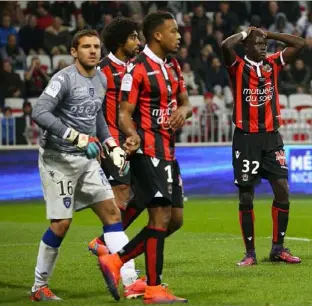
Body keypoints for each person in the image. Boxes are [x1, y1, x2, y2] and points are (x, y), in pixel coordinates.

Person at [29, 29, 131, 301]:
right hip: (58, 159)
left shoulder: (100, 78)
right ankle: (39, 287)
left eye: (96, 46)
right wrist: (74, 136)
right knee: (61, 224)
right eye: (86, 46)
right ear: (74, 52)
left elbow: (96, 113)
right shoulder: (63, 79)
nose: (93, 51)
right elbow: (39, 111)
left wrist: (111, 143)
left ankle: (132, 281)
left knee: (112, 214)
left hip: (87, 158)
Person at [97, 12, 191, 304]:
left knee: (174, 220)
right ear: (158, 36)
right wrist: (130, 133)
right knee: (159, 216)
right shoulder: (135, 69)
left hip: (169, 152)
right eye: (173, 31)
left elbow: (185, 103)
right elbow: (124, 112)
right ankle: (153, 288)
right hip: (146, 151)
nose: (179, 35)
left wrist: (182, 112)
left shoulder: (173, 66)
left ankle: (117, 260)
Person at [221, 26, 305, 266]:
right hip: (246, 138)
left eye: (264, 44)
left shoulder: (272, 64)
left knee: (282, 188)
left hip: (271, 137)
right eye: (257, 44)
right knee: (246, 195)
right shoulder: (237, 67)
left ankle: (278, 248)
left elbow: (299, 44)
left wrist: (269, 34)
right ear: (246, 46)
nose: (263, 48)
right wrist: (245, 33)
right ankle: (250, 253)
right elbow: (226, 45)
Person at [85, 17, 146, 300]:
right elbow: (93, 110)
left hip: (139, 142)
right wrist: (102, 144)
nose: (139, 42)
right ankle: (128, 274)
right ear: (121, 41)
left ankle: (102, 242)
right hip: (113, 144)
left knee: (146, 197)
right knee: (120, 199)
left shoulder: (139, 68)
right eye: (133, 37)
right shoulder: (103, 71)